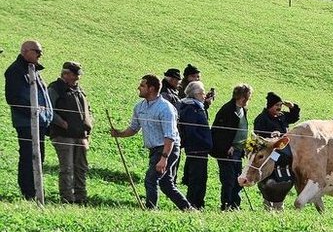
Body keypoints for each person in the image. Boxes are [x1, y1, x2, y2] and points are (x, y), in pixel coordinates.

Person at [109, 73, 191, 210]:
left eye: (142, 85)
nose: (138, 88)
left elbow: (170, 136)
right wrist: (119, 134)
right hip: (154, 149)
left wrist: (164, 158)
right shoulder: (139, 107)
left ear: (151, 89)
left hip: (168, 148)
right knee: (166, 184)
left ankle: (150, 210)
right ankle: (188, 209)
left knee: (150, 179)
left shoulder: (165, 108)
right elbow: (134, 128)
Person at [5, 40, 53, 201]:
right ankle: (29, 192)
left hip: (39, 122)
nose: (40, 54)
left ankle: (35, 189)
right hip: (27, 123)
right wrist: (33, 113)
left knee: (39, 155)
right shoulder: (15, 71)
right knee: (28, 156)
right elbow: (13, 98)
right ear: (25, 51)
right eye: (37, 51)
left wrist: (45, 117)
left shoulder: (33, 70)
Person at [47, 60, 92, 204]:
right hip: (63, 135)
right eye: (74, 75)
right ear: (65, 74)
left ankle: (81, 197)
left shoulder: (80, 90)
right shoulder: (55, 88)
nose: (77, 78)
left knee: (81, 168)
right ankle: (67, 198)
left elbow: (89, 110)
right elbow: (48, 110)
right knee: (66, 168)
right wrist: (62, 123)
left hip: (81, 136)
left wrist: (89, 123)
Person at [211, 83, 252, 211]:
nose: (249, 100)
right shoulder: (227, 110)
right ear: (242, 97)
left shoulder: (243, 110)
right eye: (248, 97)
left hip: (239, 151)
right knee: (228, 180)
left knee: (238, 180)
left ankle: (235, 205)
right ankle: (226, 206)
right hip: (228, 152)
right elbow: (217, 131)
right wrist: (227, 146)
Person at [176, 81, 213, 210]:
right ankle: (192, 205)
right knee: (197, 179)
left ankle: (198, 204)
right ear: (196, 94)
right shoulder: (191, 108)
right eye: (202, 93)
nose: (204, 96)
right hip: (196, 149)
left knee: (201, 178)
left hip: (200, 149)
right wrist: (205, 142)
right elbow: (191, 130)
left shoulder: (197, 107)